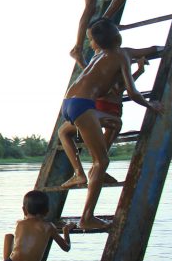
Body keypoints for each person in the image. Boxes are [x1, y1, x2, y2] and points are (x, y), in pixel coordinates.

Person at [61, 19, 163, 230]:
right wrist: (151, 105)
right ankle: (87, 218)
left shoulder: (99, 55)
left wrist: (156, 51)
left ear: (98, 42)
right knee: (101, 162)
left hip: (69, 103)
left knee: (114, 124)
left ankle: (84, 174)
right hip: (83, 105)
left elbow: (151, 49)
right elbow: (133, 92)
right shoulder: (122, 54)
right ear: (117, 35)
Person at [58, 45, 163, 189]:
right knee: (101, 155)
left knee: (100, 154)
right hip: (105, 111)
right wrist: (139, 71)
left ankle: (86, 172)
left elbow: (117, 87)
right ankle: (89, 174)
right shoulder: (113, 60)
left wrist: (138, 71)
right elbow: (119, 88)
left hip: (102, 110)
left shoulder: (109, 61)